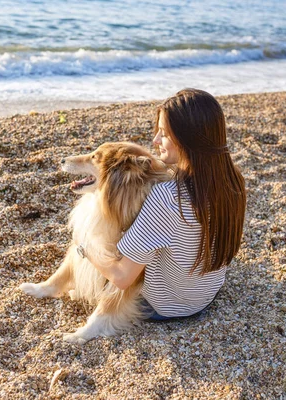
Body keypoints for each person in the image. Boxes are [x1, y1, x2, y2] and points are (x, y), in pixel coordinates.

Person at [85, 88, 246, 321]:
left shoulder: (169, 197)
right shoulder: (232, 179)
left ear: (188, 139)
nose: (155, 141)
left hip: (166, 306)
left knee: (99, 246)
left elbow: (121, 277)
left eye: (164, 134)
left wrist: (85, 247)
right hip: (207, 294)